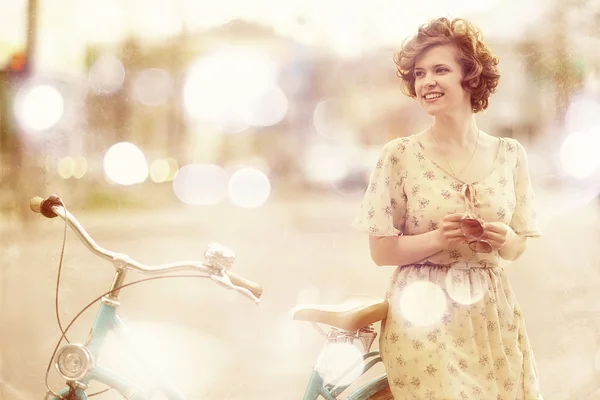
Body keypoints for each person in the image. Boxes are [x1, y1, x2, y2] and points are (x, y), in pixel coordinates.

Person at [352, 17, 543, 399]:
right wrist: (437, 238)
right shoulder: (399, 155)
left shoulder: (510, 154)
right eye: (419, 74)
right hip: (422, 311)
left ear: (470, 79)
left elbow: (519, 243)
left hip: (492, 311)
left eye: (440, 70)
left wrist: (504, 238)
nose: (427, 82)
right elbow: (381, 251)